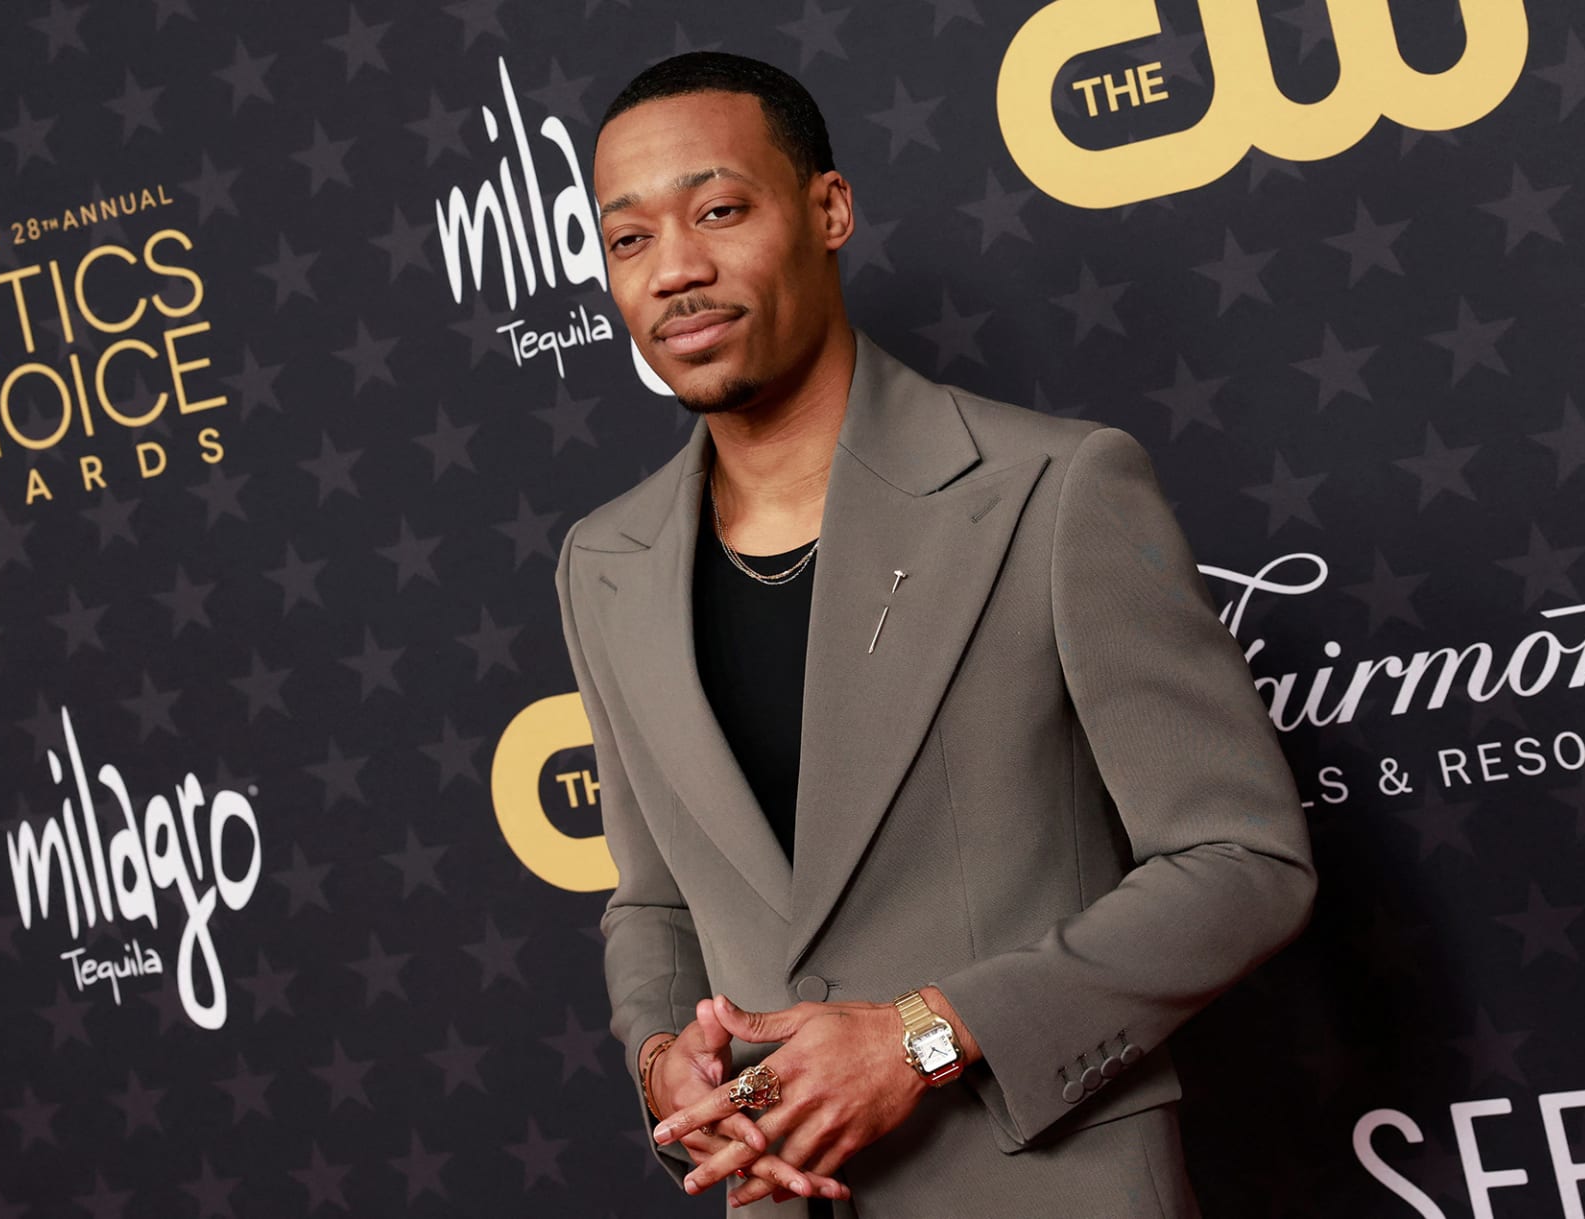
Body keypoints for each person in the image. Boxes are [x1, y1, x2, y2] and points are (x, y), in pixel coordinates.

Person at [553, 50, 1317, 1217]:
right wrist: (665, 1063)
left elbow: (1242, 865)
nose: (678, 271)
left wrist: (926, 1035)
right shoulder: (605, 565)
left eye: (718, 210)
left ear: (828, 211)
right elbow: (655, 903)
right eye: (630, 240)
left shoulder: (1054, 489)